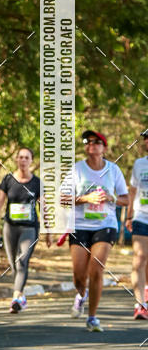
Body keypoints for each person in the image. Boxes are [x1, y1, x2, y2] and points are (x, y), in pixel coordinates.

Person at [61, 130, 128, 332]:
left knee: (96, 270)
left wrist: (111, 198)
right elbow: (63, 198)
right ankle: (81, 295)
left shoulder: (113, 170)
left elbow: (125, 199)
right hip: (79, 225)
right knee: (79, 276)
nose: (91, 145)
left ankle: (92, 317)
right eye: (88, 142)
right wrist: (84, 199)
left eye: (96, 142)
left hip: (105, 225)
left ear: (104, 148)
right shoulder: (76, 169)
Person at [0, 148, 52, 313]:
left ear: (31, 160)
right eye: (20, 157)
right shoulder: (8, 180)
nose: (23, 160)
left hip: (30, 227)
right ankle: (21, 296)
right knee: (13, 265)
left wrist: (48, 231)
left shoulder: (37, 183)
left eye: (27, 157)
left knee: (22, 261)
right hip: (10, 227)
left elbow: (44, 207)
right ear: (17, 160)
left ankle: (16, 297)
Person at [124, 129, 148, 320]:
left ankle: (146, 289)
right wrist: (129, 216)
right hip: (141, 217)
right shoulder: (140, 164)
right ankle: (140, 304)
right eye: (147, 139)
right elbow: (132, 191)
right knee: (139, 258)